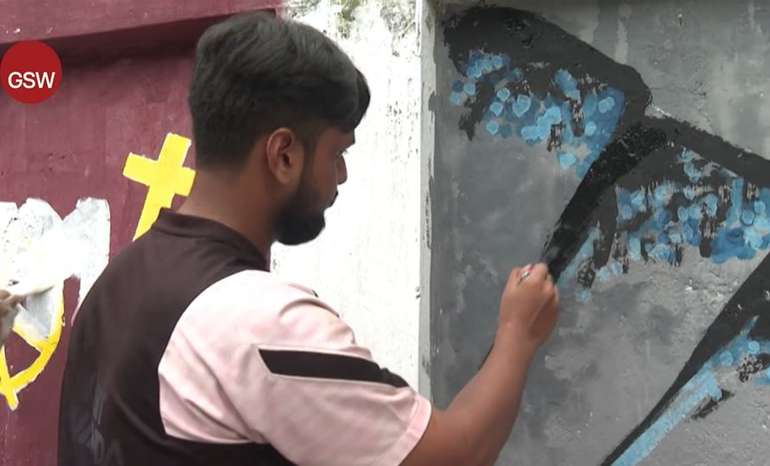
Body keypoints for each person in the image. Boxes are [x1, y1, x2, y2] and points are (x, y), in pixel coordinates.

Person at [57, 11, 559, 466]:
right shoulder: (255, 320)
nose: (340, 175)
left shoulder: (111, 288)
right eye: (337, 152)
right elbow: (453, 457)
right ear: (283, 155)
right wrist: (518, 333)